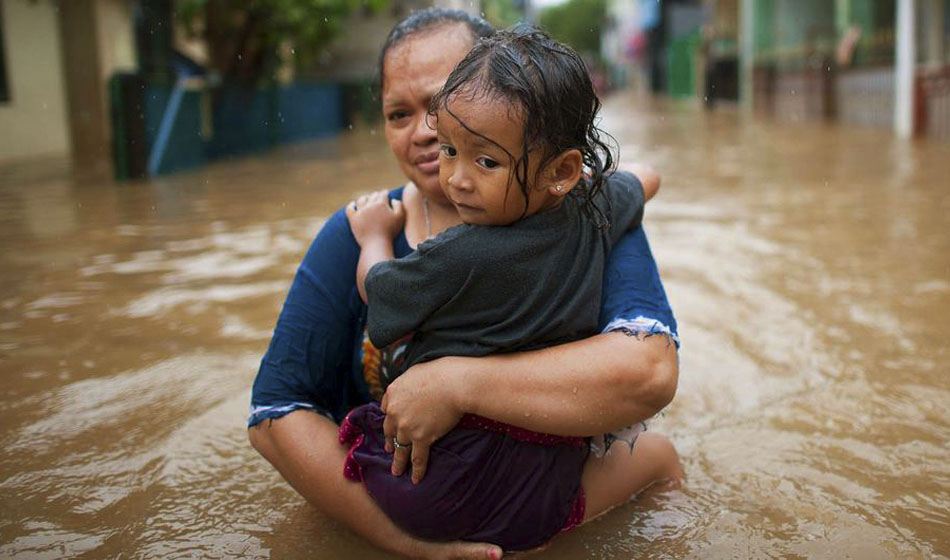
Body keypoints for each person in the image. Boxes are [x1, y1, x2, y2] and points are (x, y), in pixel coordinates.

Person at [248, 8, 682, 560]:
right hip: (439, 512)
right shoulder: (355, 228)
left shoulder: (585, 211)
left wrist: (456, 385)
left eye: (444, 101)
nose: (427, 132)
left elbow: (646, 372)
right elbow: (276, 413)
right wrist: (405, 544)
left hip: (512, 497)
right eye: (398, 113)